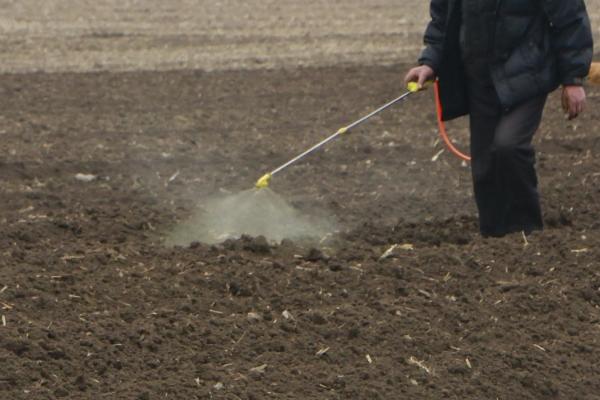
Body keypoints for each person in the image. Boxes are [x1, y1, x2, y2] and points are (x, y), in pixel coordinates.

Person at [405, 0, 593, 237]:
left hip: (528, 72)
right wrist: (429, 62)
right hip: (478, 76)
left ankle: (528, 233)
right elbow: (444, 18)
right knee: (484, 166)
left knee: (509, 146)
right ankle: (493, 239)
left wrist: (573, 79)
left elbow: (570, 17)